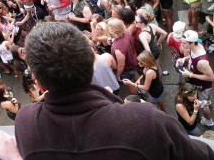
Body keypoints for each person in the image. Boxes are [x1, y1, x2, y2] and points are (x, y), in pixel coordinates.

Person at [15, 22, 214, 159]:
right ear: (92, 61)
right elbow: (202, 155)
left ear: (40, 84)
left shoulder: (26, 123)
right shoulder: (146, 121)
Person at [178, 30, 214, 127]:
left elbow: (211, 77)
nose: (182, 45)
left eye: (184, 43)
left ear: (192, 42)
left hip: (203, 86)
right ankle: (208, 102)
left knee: (203, 105)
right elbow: (191, 56)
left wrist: (190, 75)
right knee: (205, 100)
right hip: (197, 83)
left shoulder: (202, 62)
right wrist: (183, 59)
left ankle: (209, 122)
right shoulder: (196, 44)